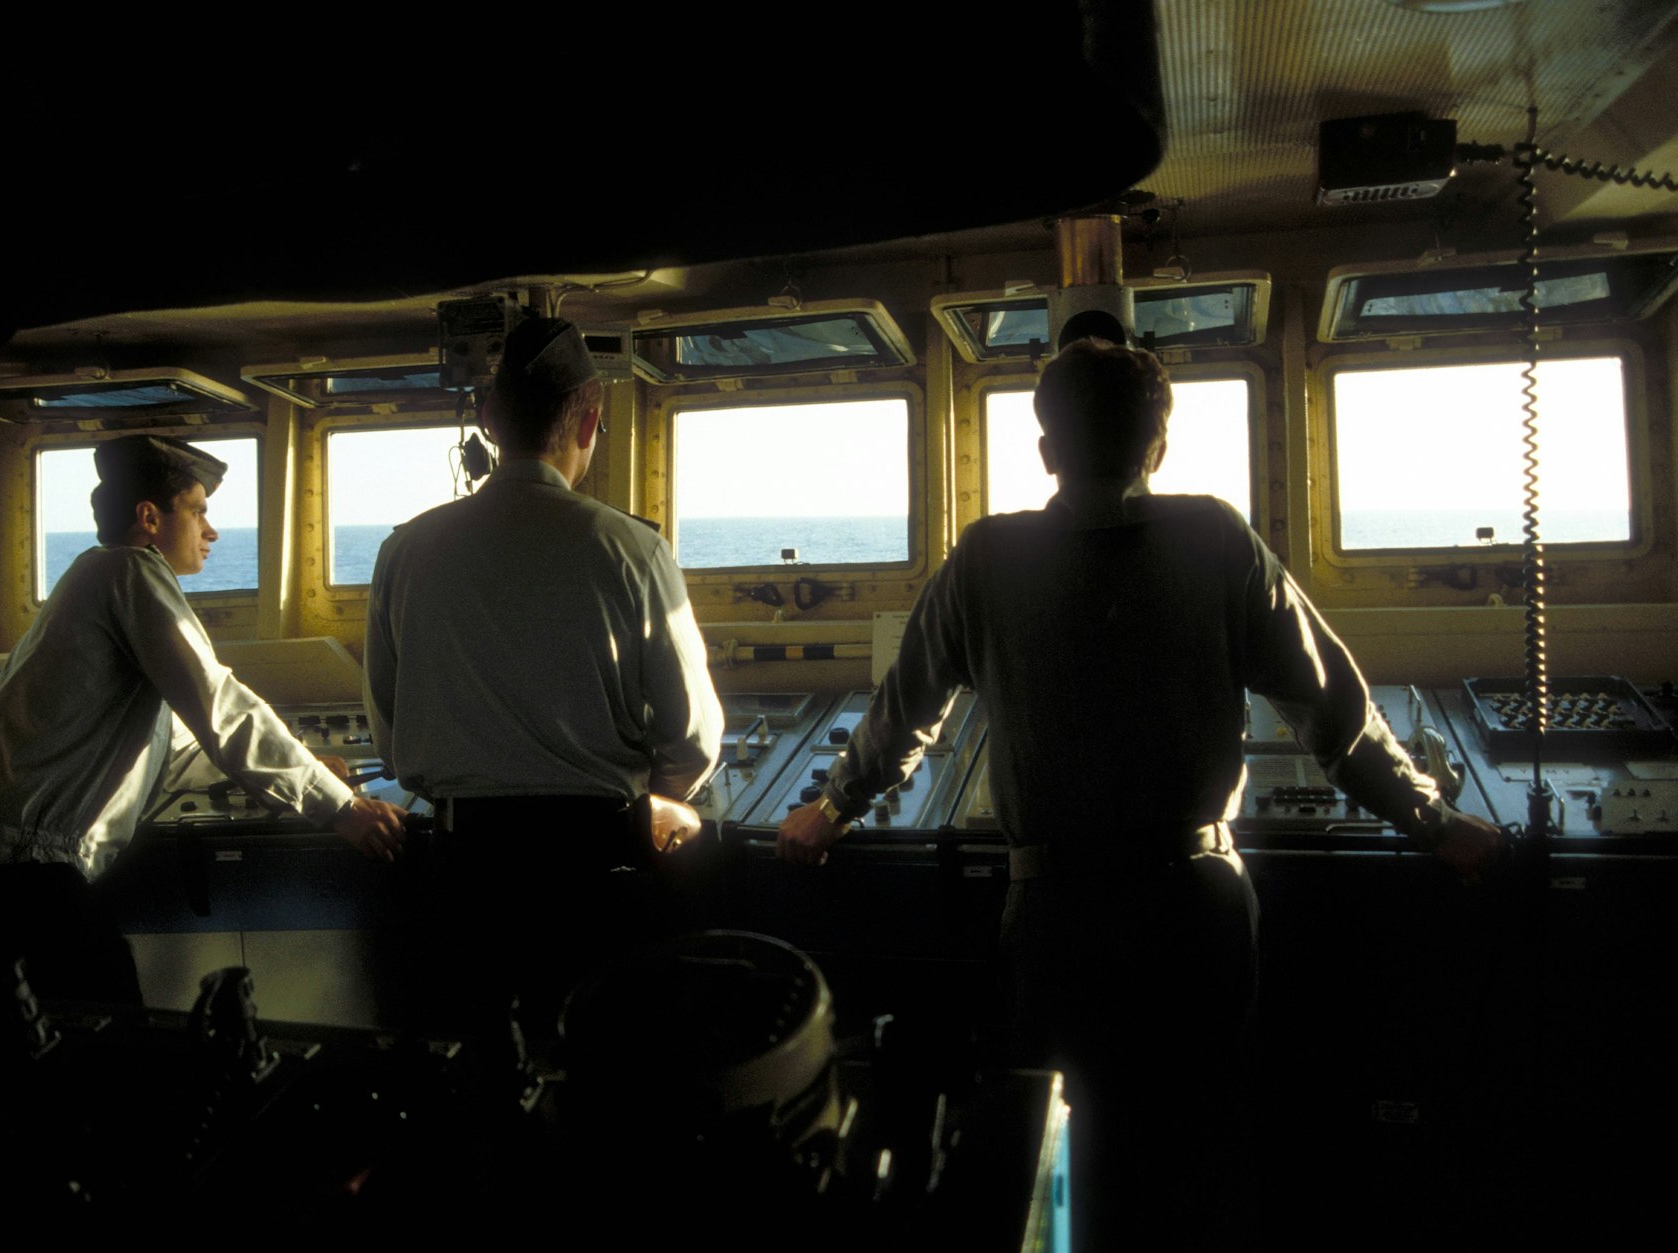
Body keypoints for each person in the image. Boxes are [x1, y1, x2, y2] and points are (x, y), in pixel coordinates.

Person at [776, 336, 1504, 1250]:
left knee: (1059, 1148)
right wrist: (1433, 820)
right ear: (1158, 447)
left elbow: (902, 714)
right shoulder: (1216, 537)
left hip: (1054, 914)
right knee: (1197, 1143)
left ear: (1046, 449)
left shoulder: (988, 557)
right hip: (1194, 908)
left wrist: (832, 808)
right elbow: (1335, 713)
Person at [0, 435, 408, 1006]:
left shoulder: (98, 578)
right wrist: (338, 807)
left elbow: (169, 744)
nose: (211, 530)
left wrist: (303, 771)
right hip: (5, 881)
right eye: (198, 511)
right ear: (150, 518)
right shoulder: (128, 571)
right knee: (101, 1048)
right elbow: (220, 705)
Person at [364, 316, 722, 1050]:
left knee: (479, 1084)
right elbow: (691, 736)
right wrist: (659, 795)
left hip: (460, 880)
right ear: (590, 419)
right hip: (591, 875)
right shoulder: (633, 549)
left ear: (491, 420)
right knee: (595, 1081)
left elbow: (391, 735)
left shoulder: (404, 552)